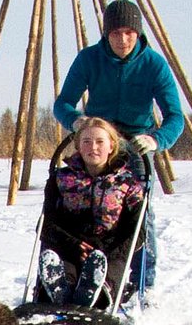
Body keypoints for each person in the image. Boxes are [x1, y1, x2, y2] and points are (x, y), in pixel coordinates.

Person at [53, 0, 184, 291]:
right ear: (106, 34)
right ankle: (78, 273)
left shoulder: (153, 64)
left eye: (129, 33)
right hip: (97, 143)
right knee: (81, 210)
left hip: (135, 147)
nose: (122, 39)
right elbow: (62, 103)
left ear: (138, 34)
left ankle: (141, 286)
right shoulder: (89, 59)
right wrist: (76, 122)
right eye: (115, 33)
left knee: (138, 218)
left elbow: (175, 117)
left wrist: (155, 139)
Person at [38, 117, 145, 308]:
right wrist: (73, 245)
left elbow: (137, 232)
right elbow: (47, 223)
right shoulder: (61, 178)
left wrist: (104, 251)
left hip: (110, 249)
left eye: (99, 142)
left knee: (106, 268)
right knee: (62, 263)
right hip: (69, 244)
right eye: (86, 142)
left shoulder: (129, 184)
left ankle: (98, 295)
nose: (92, 147)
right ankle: (60, 291)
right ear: (78, 146)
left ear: (112, 146)